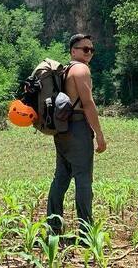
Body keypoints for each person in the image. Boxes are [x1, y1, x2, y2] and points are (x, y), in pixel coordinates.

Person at [46, 33, 106, 237]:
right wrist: (99, 134)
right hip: (78, 128)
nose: (89, 52)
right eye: (85, 49)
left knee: (61, 178)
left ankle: (53, 228)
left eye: (91, 49)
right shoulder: (81, 69)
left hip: (62, 129)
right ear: (73, 51)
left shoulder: (64, 71)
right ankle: (85, 232)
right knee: (83, 179)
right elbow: (88, 103)